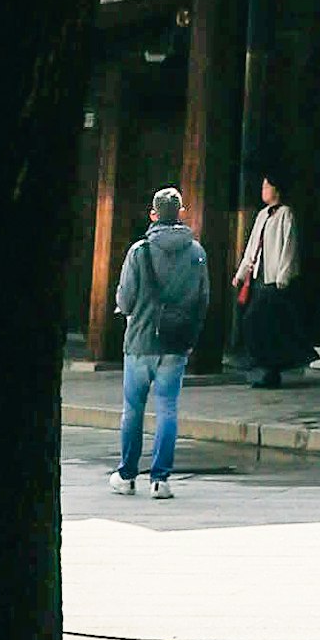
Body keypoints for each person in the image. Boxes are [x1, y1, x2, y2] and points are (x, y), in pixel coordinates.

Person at [114, 181, 209, 498]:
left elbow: (125, 300)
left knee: (133, 410)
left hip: (140, 342)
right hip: (175, 343)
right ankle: (160, 480)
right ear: (181, 214)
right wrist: (191, 337)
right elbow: (202, 301)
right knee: (167, 409)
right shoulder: (196, 253)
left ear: (153, 215)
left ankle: (127, 475)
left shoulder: (139, 252)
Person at [231, 172, 312, 383]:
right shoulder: (262, 215)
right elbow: (251, 247)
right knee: (255, 321)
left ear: (276, 189)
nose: (263, 190)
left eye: (267, 186)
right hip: (258, 276)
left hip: (274, 277)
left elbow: (289, 247)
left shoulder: (286, 214)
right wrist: (241, 274)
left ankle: (270, 369)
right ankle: (263, 368)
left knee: (265, 322)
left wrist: (283, 276)